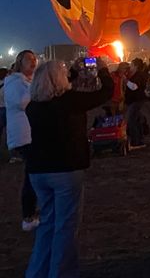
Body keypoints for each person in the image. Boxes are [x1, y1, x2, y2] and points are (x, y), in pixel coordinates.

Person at [25, 59, 113, 278]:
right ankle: (61, 273)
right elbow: (105, 93)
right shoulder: (69, 101)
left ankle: (37, 272)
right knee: (65, 226)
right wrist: (102, 70)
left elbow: (56, 88)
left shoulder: (33, 106)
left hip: (38, 171)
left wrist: (73, 70)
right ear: (59, 79)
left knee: (47, 224)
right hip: (65, 169)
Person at [6, 50, 39, 231]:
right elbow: (21, 102)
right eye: (28, 59)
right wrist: (36, 91)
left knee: (34, 173)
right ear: (20, 62)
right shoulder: (13, 83)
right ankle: (28, 215)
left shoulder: (29, 82)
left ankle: (31, 212)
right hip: (24, 134)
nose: (33, 62)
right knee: (32, 175)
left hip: (33, 132)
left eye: (34, 59)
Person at [125, 58, 150, 149]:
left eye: (131, 65)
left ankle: (136, 142)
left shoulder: (138, 75)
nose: (130, 67)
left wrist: (126, 81)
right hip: (137, 100)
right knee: (137, 120)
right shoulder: (139, 74)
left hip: (136, 100)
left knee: (132, 121)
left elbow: (134, 87)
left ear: (135, 66)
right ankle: (140, 140)